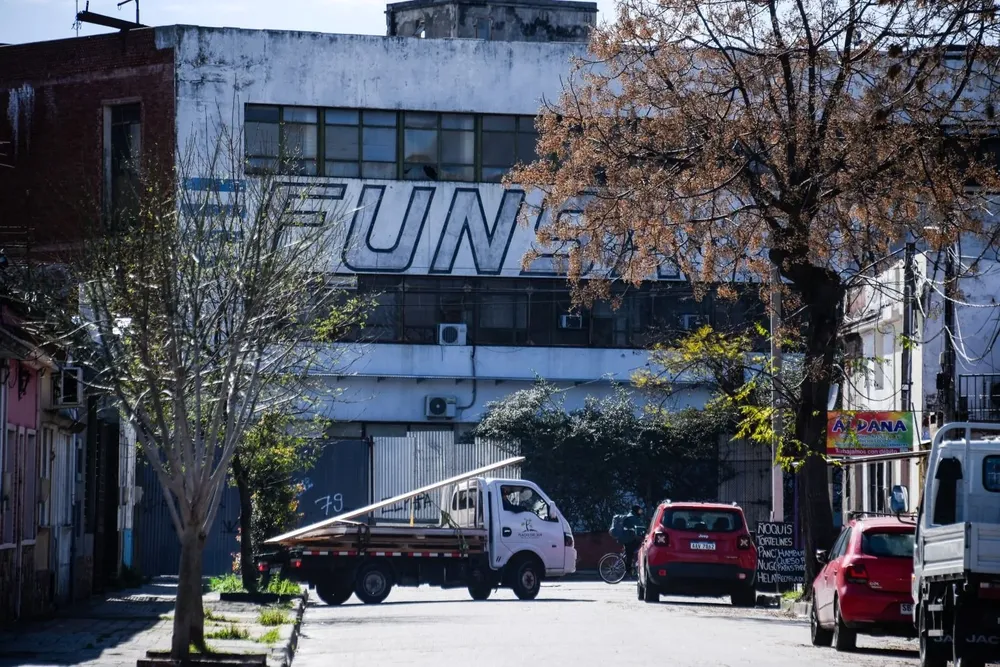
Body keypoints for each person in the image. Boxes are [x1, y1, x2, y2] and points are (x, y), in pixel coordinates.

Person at [620, 505, 645, 576]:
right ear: (636, 510)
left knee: (632, 551)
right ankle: (629, 570)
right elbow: (639, 527)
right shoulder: (632, 517)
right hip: (628, 539)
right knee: (630, 554)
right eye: (639, 510)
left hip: (629, 537)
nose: (640, 512)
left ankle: (632, 567)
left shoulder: (633, 516)